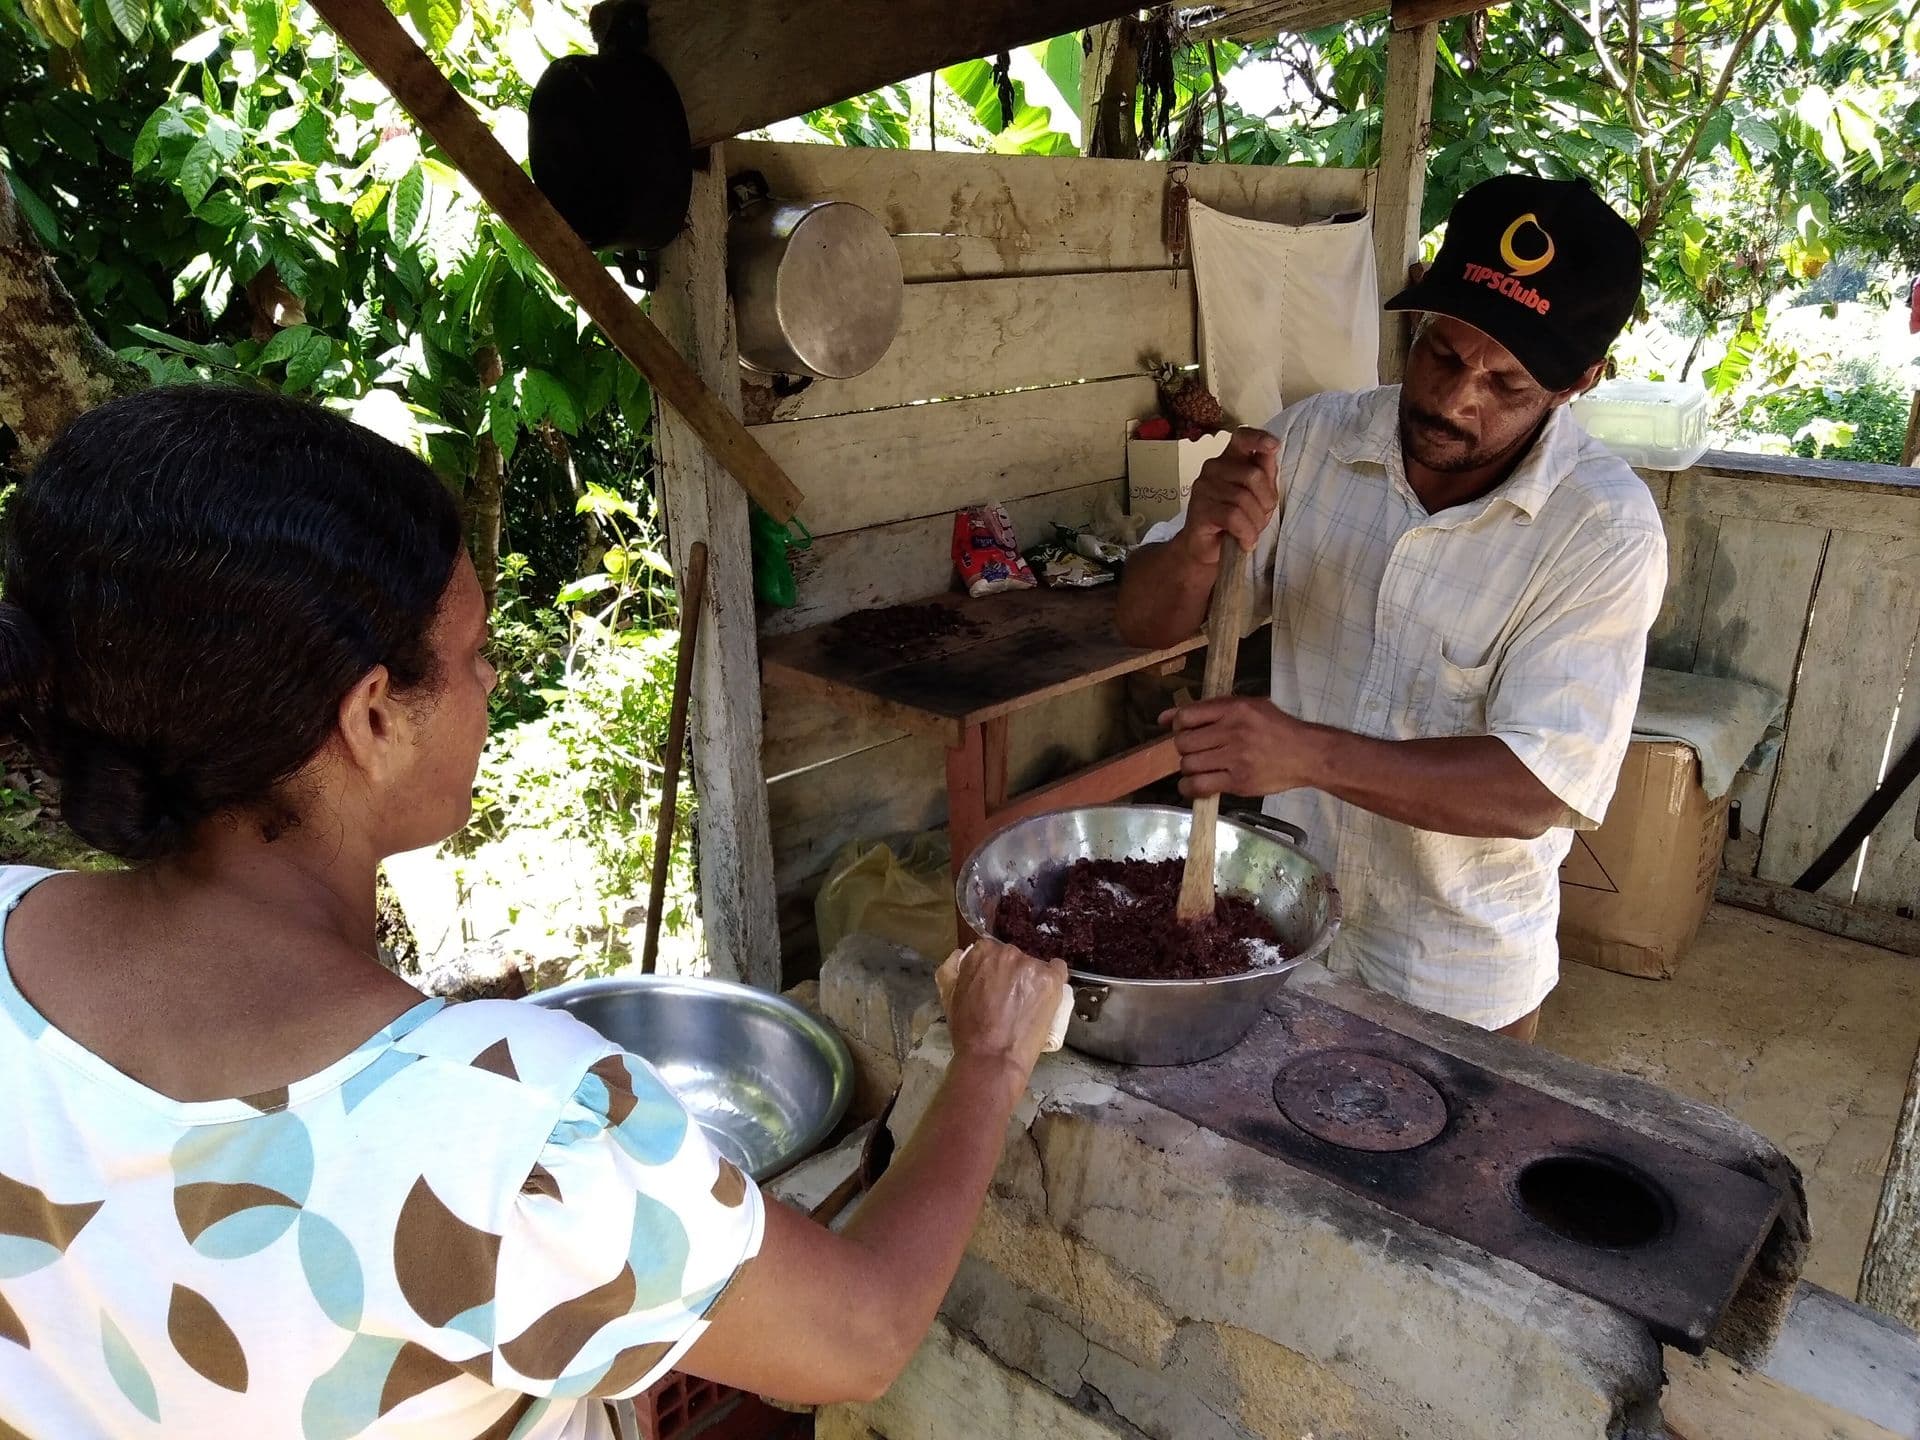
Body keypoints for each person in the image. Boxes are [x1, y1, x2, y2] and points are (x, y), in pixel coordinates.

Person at [0, 385, 1066, 1438]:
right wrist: (987, 1061)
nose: (493, 681)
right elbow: (861, 1337)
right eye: (472, 656)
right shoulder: (500, 1132)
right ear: (371, 714)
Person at [1117, 175, 1668, 1042]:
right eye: (1442, 353)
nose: (1455, 400)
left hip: (1457, 976)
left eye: (1505, 383)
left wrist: (1303, 753)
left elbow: (1538, 788)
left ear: (1579, 383)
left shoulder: (1601, 532)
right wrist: (1194, 541)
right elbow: (1143, 627)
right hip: (1289, 932)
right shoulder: (1311, 442)